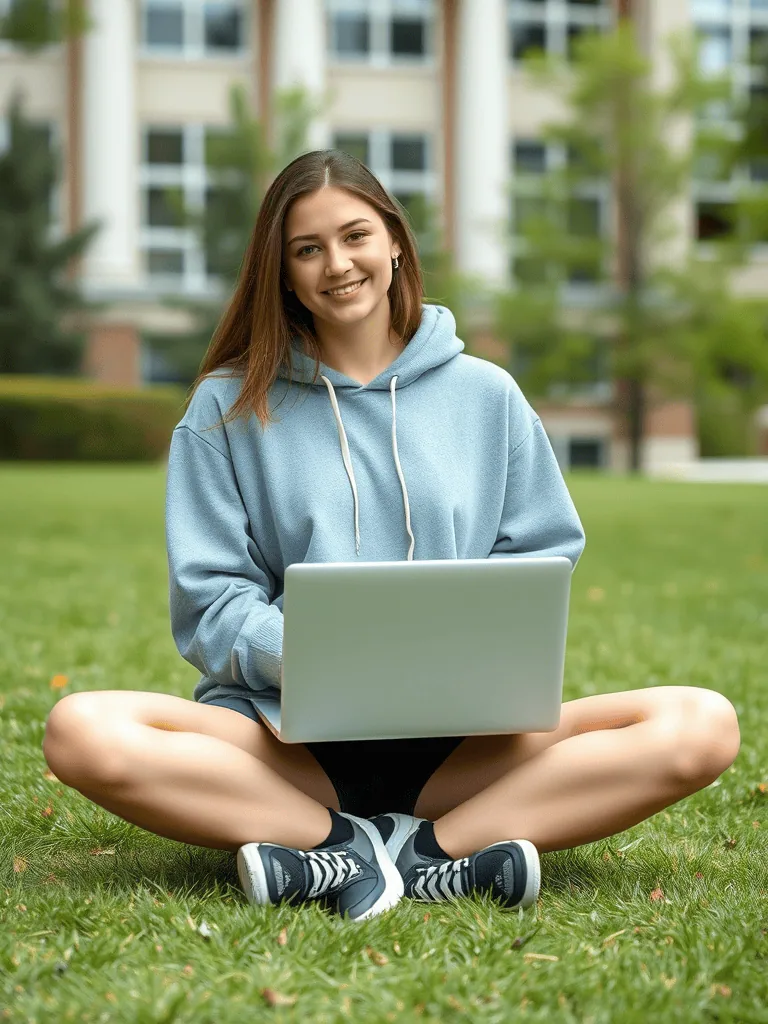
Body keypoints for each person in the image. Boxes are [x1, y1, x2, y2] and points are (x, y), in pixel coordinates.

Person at [42, 150, 741, 923]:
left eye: (355, 236)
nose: (336, 265)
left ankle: (425, 853)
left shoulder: (487, 395)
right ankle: (340, 841)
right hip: (286, 744)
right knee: (81, 731)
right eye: (308, 249)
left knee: (701, 724)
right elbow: (212, 602)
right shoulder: (224, 408)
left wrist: (467, 653)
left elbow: (540, 556)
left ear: (396, 242)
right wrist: (321, 655)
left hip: (462, 744)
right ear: (281, 272)